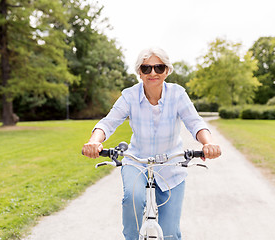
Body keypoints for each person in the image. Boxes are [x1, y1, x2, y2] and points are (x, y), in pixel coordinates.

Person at [82, 47, 221, 240]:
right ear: (139, 72)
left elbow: (195, 122)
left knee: (171, 233)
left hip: (172, 164)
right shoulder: (129, 96)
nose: (153, 73)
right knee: (132, 198)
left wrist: (208, 143)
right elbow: (108, 122)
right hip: (136, 160)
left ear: (167, 71)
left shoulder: (177, 94)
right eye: (146, 68)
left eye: (159, 67)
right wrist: (94, 142)